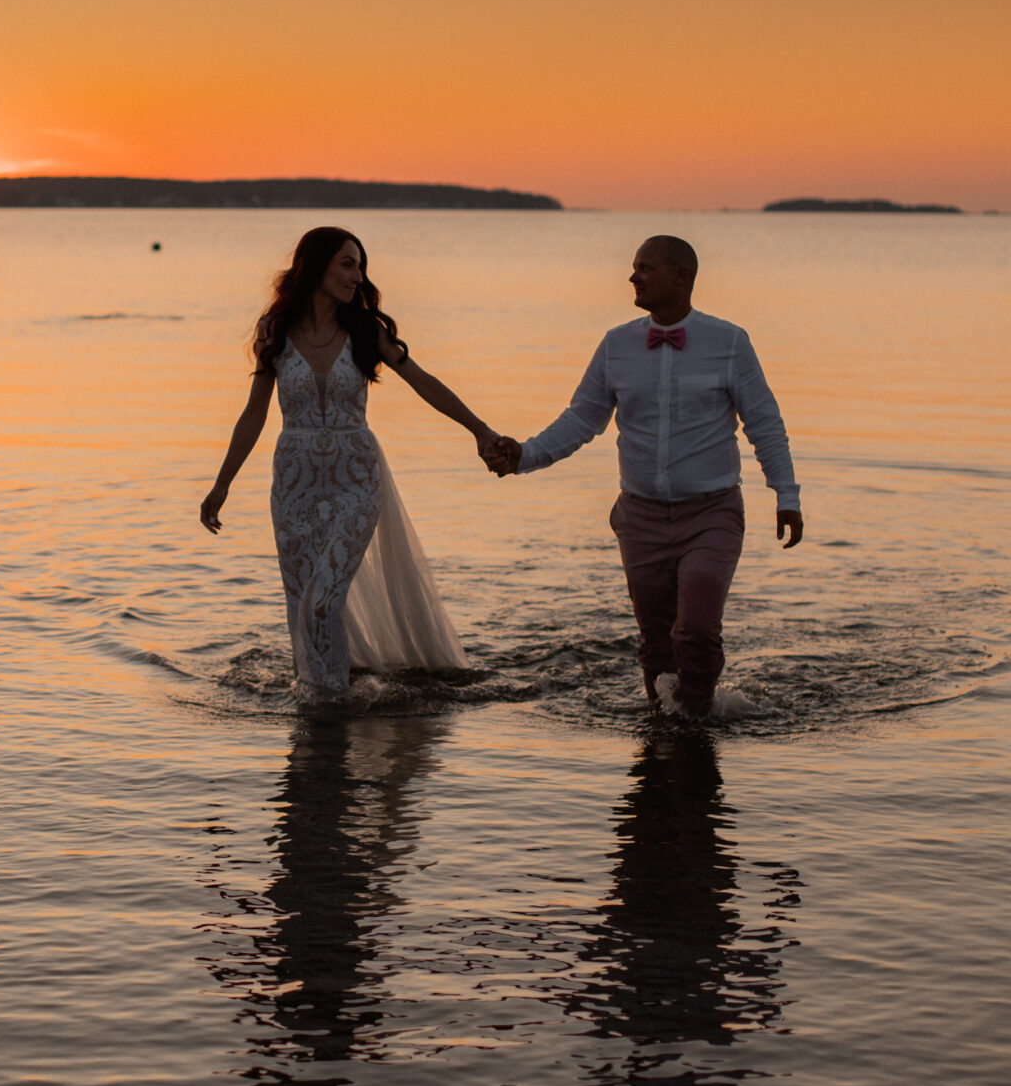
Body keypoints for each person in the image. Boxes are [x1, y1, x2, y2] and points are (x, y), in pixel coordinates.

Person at [484, 236, 802, 718]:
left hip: (712, 513)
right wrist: (523, 455)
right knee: (656, 639)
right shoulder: (617, 345)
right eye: (634, 267)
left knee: (694, 628)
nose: (633, 277)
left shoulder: (729, 342)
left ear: (682, 277)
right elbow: (581, 420)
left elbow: (765, 422)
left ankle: (695, 718)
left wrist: (787, 494)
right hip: (639, 517)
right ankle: (661, 723)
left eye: (645, 268)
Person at [201, 227, 504, 708]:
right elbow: (255, 412)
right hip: (294, 483)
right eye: (347, 264)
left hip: (356, 478)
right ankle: (317, 714)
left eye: (360, 266)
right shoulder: (274, 331)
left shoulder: (366, 331)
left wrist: (480, 430)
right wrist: (222, 483)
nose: (357, 275)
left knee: (324, 600)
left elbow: (422, 380)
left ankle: (331, 706)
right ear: (316, 266)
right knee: (303, 606)